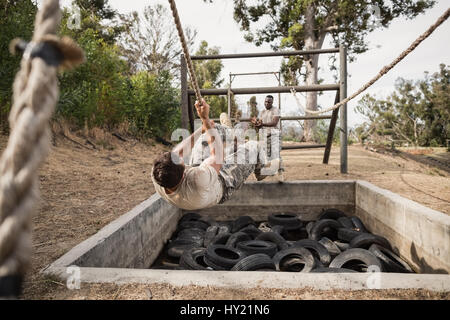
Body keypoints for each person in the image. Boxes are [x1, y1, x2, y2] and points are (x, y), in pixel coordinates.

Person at [151, 99, 279, 210]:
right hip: (221, 183)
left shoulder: (157, 174)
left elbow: (177, 152)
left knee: (212, 130)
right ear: (184, 175)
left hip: (201, 172)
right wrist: (205, 118)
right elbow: (217, 156)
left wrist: (202, 128)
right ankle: (261, 169)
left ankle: (230, 133)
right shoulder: (197, 179)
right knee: (254, 147)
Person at [251, 95, 284, 181]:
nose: (267, 103)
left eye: (269, 102)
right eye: (265, 101)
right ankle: (262, 173)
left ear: (272, 102)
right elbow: (260, 125)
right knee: (264, 156)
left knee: (276, 154)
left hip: (275, 135)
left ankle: (280, 174)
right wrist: (257, 124)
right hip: (265, 135)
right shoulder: (262, 112)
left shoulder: (276, 110)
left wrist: (262, 124)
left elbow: (274, 122)